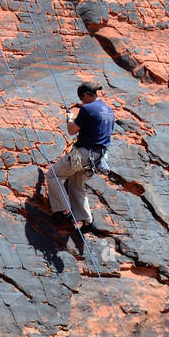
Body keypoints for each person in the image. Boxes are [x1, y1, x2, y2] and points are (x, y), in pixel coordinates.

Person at [44, 81, 115, 227]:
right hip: (98, 157)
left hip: (82, 154)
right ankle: (87, 220)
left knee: (53, 175)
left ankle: (64, 210)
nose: (82, 102)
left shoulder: (87, 109)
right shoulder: (108, 110)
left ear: (86, 95)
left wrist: (70, 118)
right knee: (76, 183)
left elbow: (71, 131)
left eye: (82, 99)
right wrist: (81, 107)